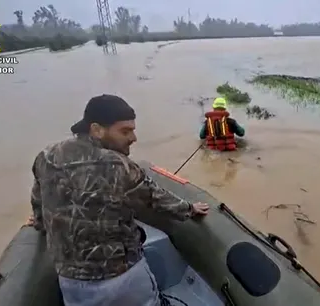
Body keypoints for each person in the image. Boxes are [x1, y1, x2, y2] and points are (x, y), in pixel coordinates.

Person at [28, 94, 210, 306]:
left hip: (71, 282)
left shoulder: (46, 156)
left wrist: (39, 223)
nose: (133, 137)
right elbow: (155, 198)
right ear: (97, 130)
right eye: (125, 131)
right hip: (122, 277)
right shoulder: (118, 164)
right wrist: (190, 208)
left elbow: (38, 199)